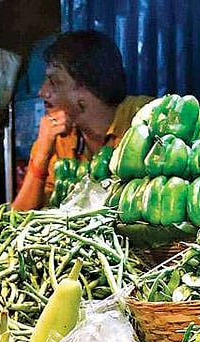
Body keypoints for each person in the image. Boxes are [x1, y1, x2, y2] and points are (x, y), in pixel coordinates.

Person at [11, 30, 153, 211]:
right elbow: (21, 215)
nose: (42, 92)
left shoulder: (145, 119)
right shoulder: (59, 139)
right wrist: (42, 154)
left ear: (86, 87)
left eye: (55, 81)